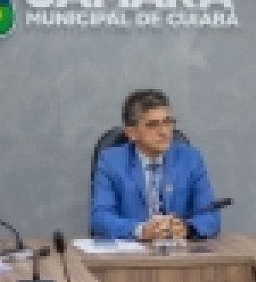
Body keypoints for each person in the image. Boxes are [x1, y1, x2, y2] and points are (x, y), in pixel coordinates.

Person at [91, 89, 220, 240]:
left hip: (179, 250)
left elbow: (210, 215)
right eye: (152, 125)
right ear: (131, 133)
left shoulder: (191, 158)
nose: (164, 132)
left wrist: (187, 229)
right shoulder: (111, 161)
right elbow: (100, 218)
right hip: (130, 251)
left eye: (168, 122)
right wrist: (141, 230)